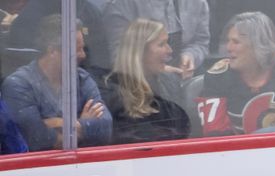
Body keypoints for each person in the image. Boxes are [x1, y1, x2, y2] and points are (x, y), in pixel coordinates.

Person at [1, 15, 111, 151]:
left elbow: (105, 127)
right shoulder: (18, 85)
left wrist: (59, 123)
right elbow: (37, 140)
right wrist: (84, 124)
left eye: (83, 48)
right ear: (52, 50)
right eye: (76, 49)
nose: (83, 55)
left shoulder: (82, 78)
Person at [196, 11, 275, 136]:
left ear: (258, 45)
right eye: (228, 41)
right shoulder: (217, 79)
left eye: (236, 42)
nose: (228, 48)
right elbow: (216, 136)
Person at [99, 18, 190, 144]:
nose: (169, 50)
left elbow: (184, 129)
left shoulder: (170, 83)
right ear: (139, 51)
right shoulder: (111, 90)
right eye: (161, 44)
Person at [103, 0, 210, 79]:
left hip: (189, 75)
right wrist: (156, 71)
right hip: (143, 82)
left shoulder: (198, 2)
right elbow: (120, 58)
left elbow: (201, 41)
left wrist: (190, 55)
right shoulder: (121, 4)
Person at [7, 0, 111, 75]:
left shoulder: (90, 12)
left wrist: (86, 86)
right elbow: (24, 70)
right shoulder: (27, 21)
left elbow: (101, 63)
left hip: (87, 86)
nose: (82, 55)